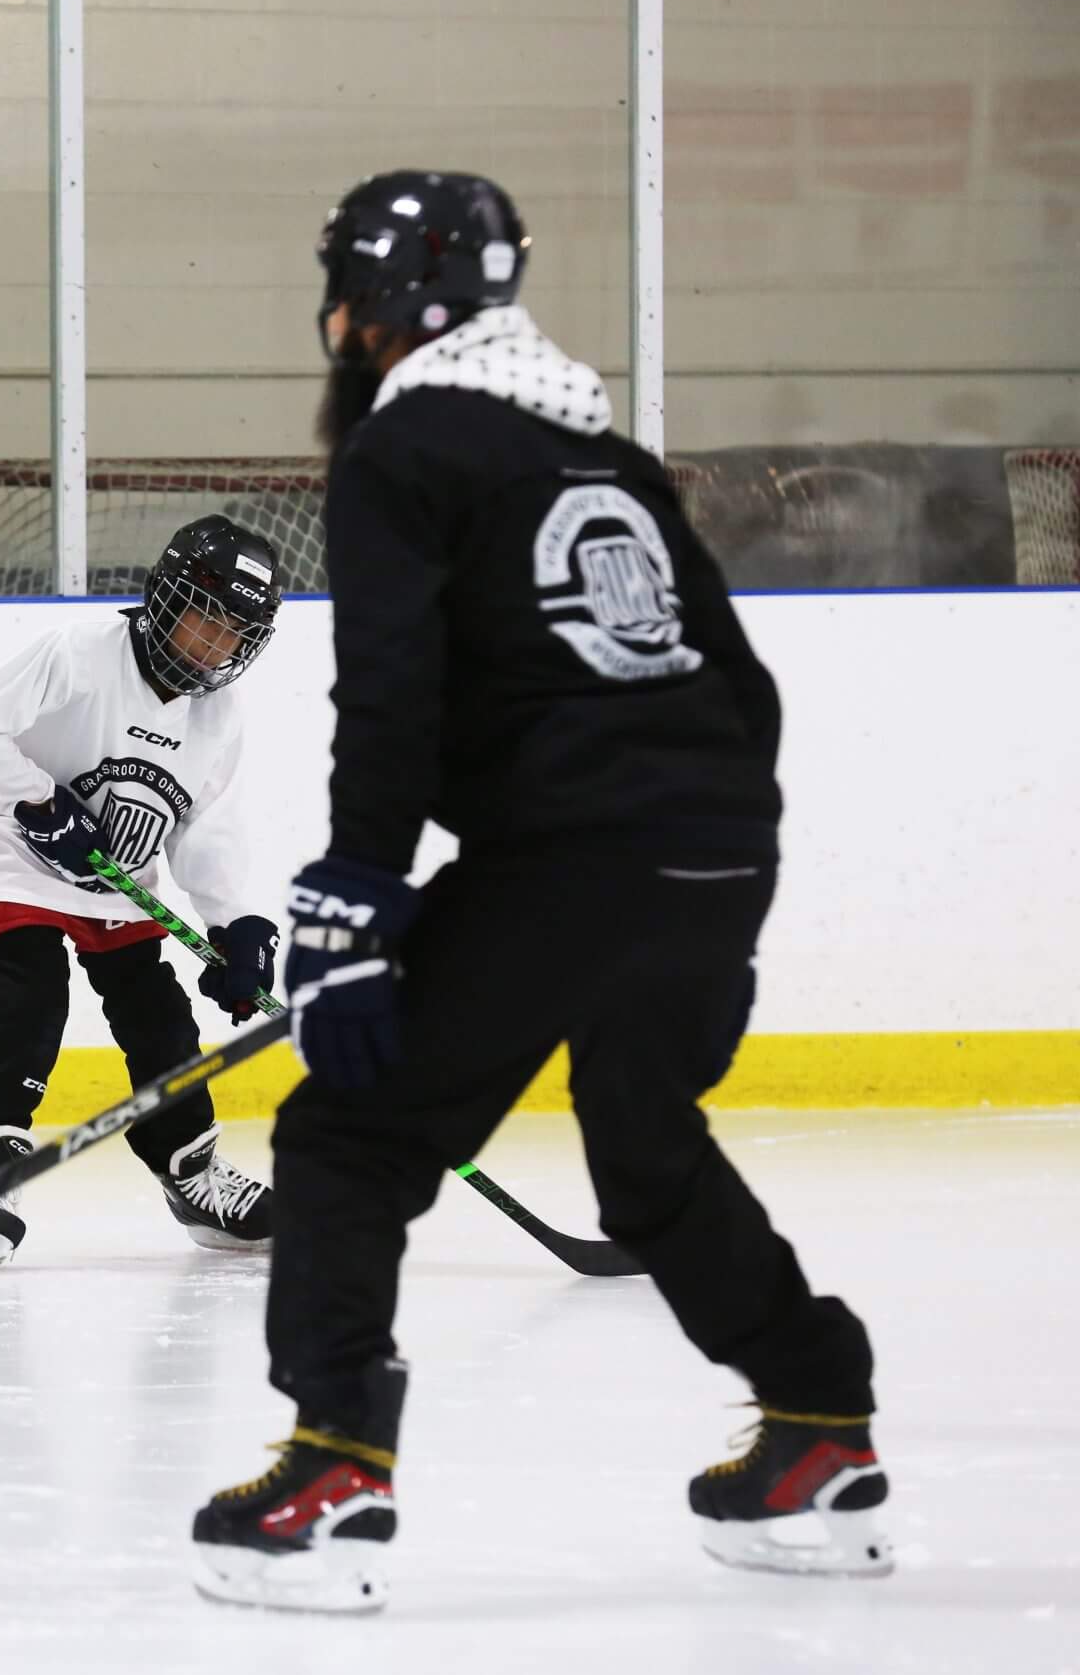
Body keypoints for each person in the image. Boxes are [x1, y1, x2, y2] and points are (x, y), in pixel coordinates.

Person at [191, 171, 888, 1613]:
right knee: (645, 1144)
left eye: (339, 290)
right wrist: (681, 830)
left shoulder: (406, 449)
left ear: (377, 305)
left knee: (350, 1133)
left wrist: (356, 894)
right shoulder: (609, 456)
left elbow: (390, 690)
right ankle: (818, 1415)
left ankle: (331, 1461)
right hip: (715, 844)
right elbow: (734, 684)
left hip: (582, 853)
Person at [0, 518, 285, 1270]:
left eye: (234, 633)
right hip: (12, 848)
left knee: (158, 1014)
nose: (214, 646)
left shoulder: (218, 716)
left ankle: (191, 1166)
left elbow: (202, 827)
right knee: (33, 988)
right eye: (204, 618)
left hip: (115, 871)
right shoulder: (81, 654)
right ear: (165, 596)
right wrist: (36, 804)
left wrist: (236, 924)